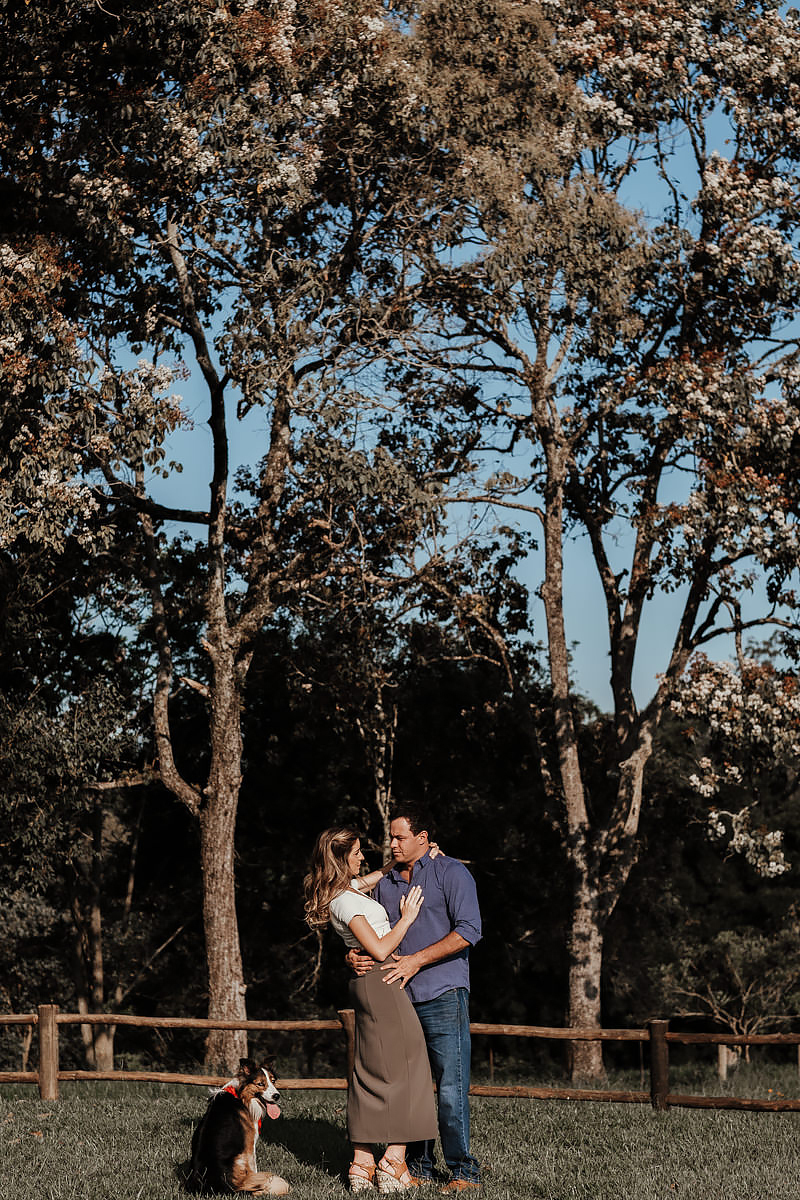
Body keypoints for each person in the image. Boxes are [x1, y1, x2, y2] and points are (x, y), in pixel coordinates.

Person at [348, 802, 482, 1194]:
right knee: (411, 1085)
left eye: (400, 837)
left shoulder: (451, 872)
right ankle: (418, 1166)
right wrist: (350, 955)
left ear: (423, 838)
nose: (392, 843)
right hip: (398, 998)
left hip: (443, 992)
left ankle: (463, 1171)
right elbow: (361, 923)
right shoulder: (385, 882)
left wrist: (416, 961)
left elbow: (469, 930)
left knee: (451, 1088)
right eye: (390, 837)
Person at [303, 827, 438, 1194]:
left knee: (370, 1071)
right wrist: (407, 917)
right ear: (340, 859)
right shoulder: (345, 901)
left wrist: (409, 855)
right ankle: (393, 1162)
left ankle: (361, 1165)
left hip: (373, 984)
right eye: (357, 853)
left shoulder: (344, 890)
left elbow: (376, 875)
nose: (363, 857)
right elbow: (378, 949)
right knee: (411, 1067)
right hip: (382, 982)